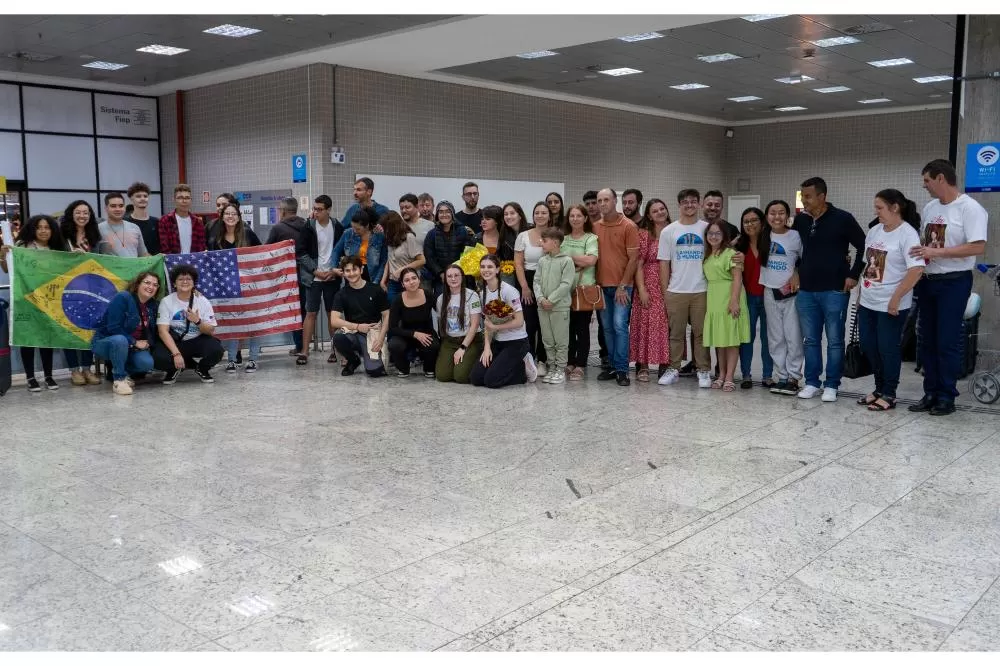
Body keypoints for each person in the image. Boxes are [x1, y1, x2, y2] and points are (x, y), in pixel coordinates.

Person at [908, 159, 989, 416]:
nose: (925, 186)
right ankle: (930, 392)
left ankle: (946, 396)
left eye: (927, 181)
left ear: (941, 178)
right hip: (928, 281)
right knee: (926, 340)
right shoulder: (931, 207)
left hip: (954, 281)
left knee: (946, 340)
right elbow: (927, 241)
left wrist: (938, 252)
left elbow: (977, 246)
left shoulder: (970, 208)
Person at [792, 177, 866, 402]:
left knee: (834, 340)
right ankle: (812, 382)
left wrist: (853, 275)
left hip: (834, 290)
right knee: (810, 340)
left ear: (822, 196)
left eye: (808, 196)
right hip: (806, 291)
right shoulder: (801, 221)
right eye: (803, 196)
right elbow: (794, 249)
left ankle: (832, 384)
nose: (804, 201)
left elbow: (864, 245)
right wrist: (796, 271)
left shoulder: (843, 219)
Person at [856, 189, 925, 412]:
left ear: (895, 207)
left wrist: (896, 298)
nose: (876, 212)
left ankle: (889, 393)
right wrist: (859, 294)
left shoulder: (908, 234)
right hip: (868, 300)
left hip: (891, 304)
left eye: (880, 208)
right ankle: (878, 388)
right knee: (868, 345)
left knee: (887, 348)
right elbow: (868, 265)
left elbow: (916, 270)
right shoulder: (875, 231)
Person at [0, 215, 66, 392]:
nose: (43, 230)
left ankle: (49, 376)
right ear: (32, 229)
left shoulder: (57, 248)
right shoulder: (22, 246)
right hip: (26, 299)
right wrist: (3, 255)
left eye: (47, 227)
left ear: (52, 230)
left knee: (47, 340)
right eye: (39, 227)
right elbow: (8, 269)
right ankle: (30, 377)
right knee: (28, 338)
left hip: (49, 299)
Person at [658, 188, 711, 388]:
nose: (689, 205)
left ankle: (703, 370)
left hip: (701, 290)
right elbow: (664, 263)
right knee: (676, 334)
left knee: (701, 333)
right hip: (676, 290)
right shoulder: (669, 231)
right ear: (679, 205)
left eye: (693, 201)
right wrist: (666, 292)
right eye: (685, 202)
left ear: (699, 204)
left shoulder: (707, 228)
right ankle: (674, 368)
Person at [208, 204, 264, 373]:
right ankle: (232, 359)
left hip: (249, 285)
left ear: (239, 217)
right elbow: (210, 262)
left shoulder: (248, 234)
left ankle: (253, 358)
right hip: (228, 288)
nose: (230, 216)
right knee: (233, 323)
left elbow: (262, 253)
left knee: (253, 323)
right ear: (222, 216)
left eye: (234, 214)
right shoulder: (215, 238)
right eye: (227, 214)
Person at [594, 188, 640, 386]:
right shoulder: (595, 227)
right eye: (599, 201)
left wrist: (623, 285)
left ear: (615, 201)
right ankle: (612, 365)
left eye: (606, 200)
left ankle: (622, 369)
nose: (603, 203)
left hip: (623, 287)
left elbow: (634, 259)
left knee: (620, 326)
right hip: (602, 287)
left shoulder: (628, 226)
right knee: (607, 328)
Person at [759, 200, 804, 396]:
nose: (776, 217)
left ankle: (794, 377)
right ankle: (782, 376)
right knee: (775, 337)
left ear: (787, 216)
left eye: (781, 213)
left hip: (791, 293)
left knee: (793, 335)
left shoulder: (795, 236)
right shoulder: (762, 236)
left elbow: (805, 260)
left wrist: (796, 273)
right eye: (772, 213)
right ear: (766, 216)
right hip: (769, 291)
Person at [470, 254, 536, 388]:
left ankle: (522, 367)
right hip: (498, 343)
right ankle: (506, 365)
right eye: (482, 267)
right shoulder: (483, 293)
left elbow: (519, 322)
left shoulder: (509, 291)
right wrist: (487, 348)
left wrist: (496, 328)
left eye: (490, 267)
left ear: (498, 270)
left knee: (491, 381)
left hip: (516, 342)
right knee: (476, 378)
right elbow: (488, 324)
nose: (486, 270)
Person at [89, 271, 160, 396]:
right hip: (106, 342)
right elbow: (113, 328)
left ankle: (121, 370)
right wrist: (134, 342)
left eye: (155, 285)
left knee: (146, 363)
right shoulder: (123, 297)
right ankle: (119, 380)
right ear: (137, 284)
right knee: (120, 339)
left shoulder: (152, 305)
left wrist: (193, 293)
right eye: (147, 283)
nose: (151, 287)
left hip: (132, 348)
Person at [266, 196, 319, 362]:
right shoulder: (307, 225)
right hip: (308, 273)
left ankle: (299, 345)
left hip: (287, 275)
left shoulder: (278, 229)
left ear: (282, 211)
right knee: (306, 309)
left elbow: (268, 250)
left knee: (293, 309)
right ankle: (305, 344)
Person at [154, 264, 225, 384]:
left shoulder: (203, 301)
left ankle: (201, 368)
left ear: (193, 283)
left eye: (188, 279)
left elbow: (210, 330)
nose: (185, 282)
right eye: (181, 279)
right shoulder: (166, 302)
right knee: (158, 358)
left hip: (195, 340)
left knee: (216, 350)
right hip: (175, 341)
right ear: (174, 284)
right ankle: (175, 369)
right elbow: (162, 331)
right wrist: (176, 354)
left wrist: (198, 321)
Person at [702, 220, 750, 392]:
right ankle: (721, 374)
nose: (713, 237)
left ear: (724, 236)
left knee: (731, 340)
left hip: (730, 295)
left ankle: (730, 376)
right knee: (720, 341)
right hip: (714, 298)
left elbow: (737, 278)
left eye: (717, 233)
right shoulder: (707, 254)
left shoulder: (731, 253)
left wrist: (734, 300)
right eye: (710, 233)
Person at [630, 198, 671, 383]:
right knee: (645, 324)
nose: (660, 212)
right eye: (655, 211)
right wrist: (642, 289)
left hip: (672, 283)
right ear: (649, 215)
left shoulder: (674, 231)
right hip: (649, 284)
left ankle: (666, 364)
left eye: (662, 209)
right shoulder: (645, 234)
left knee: (667, 324)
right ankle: (643, 365)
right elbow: (638, 263)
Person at [329, 255, 390, 377]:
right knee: (338, 338)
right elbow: (334, 321)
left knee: (375, 372)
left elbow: (387, 315)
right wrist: (357, 326)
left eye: (354, 269)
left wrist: (381, 338)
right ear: (343, 273)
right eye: (347, 270)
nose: (351, 273)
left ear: (361, 270)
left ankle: (371, 355)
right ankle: (353, 360)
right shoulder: (341, 294)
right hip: (354, 333)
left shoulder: (376, 290)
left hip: (374, 332)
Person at [299, 194, 343, 366]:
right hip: (313, 278)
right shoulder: (308, 226)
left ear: (328, 210)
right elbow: (300, 252)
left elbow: (342, 251)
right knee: (311, 313)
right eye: (314, 209)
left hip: (331, 276)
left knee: (332, 314)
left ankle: (335, 350)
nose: (315, 212)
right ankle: (304, 351)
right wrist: (315, 271)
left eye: (319, 209)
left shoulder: (337, 226)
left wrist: (334, 270)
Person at [734, 207, 774, 389]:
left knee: (768, 338)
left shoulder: (771, 242)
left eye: (753, 220)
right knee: (746, 338)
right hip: (748, 297)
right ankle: (746, 375)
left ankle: (767, 375)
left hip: (769, 298)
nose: (750, 224)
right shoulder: (738, 246)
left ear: (762, 222)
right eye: (746, 221)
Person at [515, 202, 554, 376]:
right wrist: (524, 287)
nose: (540, 215)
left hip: (549, 280)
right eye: (537, 212)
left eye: (544, 212)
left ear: (549, 215)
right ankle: (528, 358)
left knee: (545, 323)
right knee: (529, 324)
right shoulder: (523, 236)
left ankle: (543, 360)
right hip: (527, 280)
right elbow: (518, 263)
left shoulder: (555, 234)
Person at [533, 227, 575, 385]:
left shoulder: (567, 261)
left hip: (559, 308)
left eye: (544, 241)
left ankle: (560, 368)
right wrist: (541, 299)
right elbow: (536, 281)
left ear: (555, 242)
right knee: (548, 340)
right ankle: (551, 367)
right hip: (543, 307)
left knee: (560, 340)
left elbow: (566, 284)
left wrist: (551, 300)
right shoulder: (542, 261)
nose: (541, 243)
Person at [561, 204, 599, 381]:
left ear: (585, 218)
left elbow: (591, 260)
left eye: (578, 216)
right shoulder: (563, 238)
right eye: (572, 216)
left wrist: (568, 258)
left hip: (584, 290)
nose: (575, 219)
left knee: (582, 329)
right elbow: (556, 259)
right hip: (565, 289)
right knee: (567, 329)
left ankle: (581, 364)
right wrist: (578, 260)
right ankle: (570, 361)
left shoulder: (591, 238)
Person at [434, 264, 483, 384]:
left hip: (469, 341)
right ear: (445, 279)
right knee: (442, 376)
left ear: (462, 277)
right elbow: (441, 323)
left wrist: (462, 348)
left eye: (456, 275)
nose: (453, 278)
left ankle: (476, 356)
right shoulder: (441, 299)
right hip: (450, 341)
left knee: (461, 377)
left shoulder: (472, 295)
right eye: (449, 276)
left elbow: (475, 325)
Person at [387, 267, 440, 378]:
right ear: (402, 284)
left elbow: (442, 313)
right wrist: (414, 334)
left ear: (419, 279)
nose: (411, 282)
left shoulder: (428, 295)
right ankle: (403, 368)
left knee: (434, 344)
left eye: (414, 278)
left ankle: (429, 368)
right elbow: (393, 327)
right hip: (406, 333)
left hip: (426, 332)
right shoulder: (397, 300)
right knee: (394, 345)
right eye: (407, 280)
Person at [423, 200, 475, 295]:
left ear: (452, 214)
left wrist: (458, 273)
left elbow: (468, 254)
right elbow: (429, 257)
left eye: (447, 211)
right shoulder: (432, 234)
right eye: (441, 212)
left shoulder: (463, 231)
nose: (444, 214)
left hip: (461, 275)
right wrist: (441, 273)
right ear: (437, 215)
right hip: (441, 278)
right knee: (441, 304)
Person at [583, 189, 608, 369]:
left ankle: (606, 355)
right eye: (588, 204)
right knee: (582, 321)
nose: (592, 207)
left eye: (594, 203)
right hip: (585, 279)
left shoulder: (605, 225)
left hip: (604, 278)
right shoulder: (583, 227)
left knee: (604, 321)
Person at [381, 211, 425, 303]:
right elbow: (390, 260)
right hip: (393, 282)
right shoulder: (389, 238)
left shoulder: (409, 237)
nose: (385, 231)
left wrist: (401, 270)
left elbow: (421, 260)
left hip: (408, 281)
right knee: (393, 309)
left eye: (387, 228)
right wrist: (383, 280)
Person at [158, 184, 207, 255]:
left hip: (193, 263)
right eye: (180, 198)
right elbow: (164, 247)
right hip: (173, 263)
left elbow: (201, 247)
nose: (184, 201)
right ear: (174, 200)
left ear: (191, 200)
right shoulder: (165, 220)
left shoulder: (198, 222)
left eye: (187, 198)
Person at [99, 192, 149, 258]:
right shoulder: (98, 229)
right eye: (113, 206)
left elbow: (143, 255)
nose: (118, 209)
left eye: (121, 206)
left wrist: (160, 259)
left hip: (134, 268)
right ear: (106, 208)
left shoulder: (135, 227)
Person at [499, 203, 529, 287]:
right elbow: (501, 258)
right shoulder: (503, 234)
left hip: (529, 274)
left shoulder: (531, 230)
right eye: (506, 214)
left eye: (512, 213)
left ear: (520, 215)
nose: (508, 217)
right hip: (511, 276)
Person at [126, 182, 159, 255]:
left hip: (155, 263)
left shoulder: (156, 222)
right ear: (131, 199)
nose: (143, 199)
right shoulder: (126, 222)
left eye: (145, 196)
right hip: (134, 262)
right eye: (138, 196)